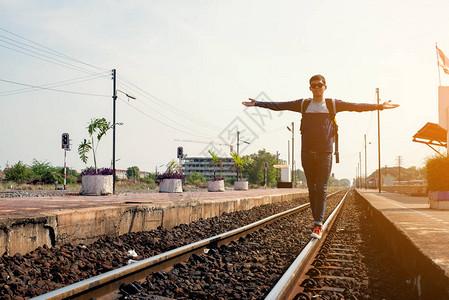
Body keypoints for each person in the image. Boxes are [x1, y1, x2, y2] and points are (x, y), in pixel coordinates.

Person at [242, 74, 399, 239]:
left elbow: (356, 106)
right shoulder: (303, 104)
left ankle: (318, 224)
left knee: (321, 188)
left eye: (320, 85)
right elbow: (281, 105)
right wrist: (258, 103)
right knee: (312, 189)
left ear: (325, 87)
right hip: (307, 153)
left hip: (325, 153)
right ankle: (317, 220)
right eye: (314, 85)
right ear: (310, 88)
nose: (317, 88)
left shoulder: (332, 104)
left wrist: (379, 106)